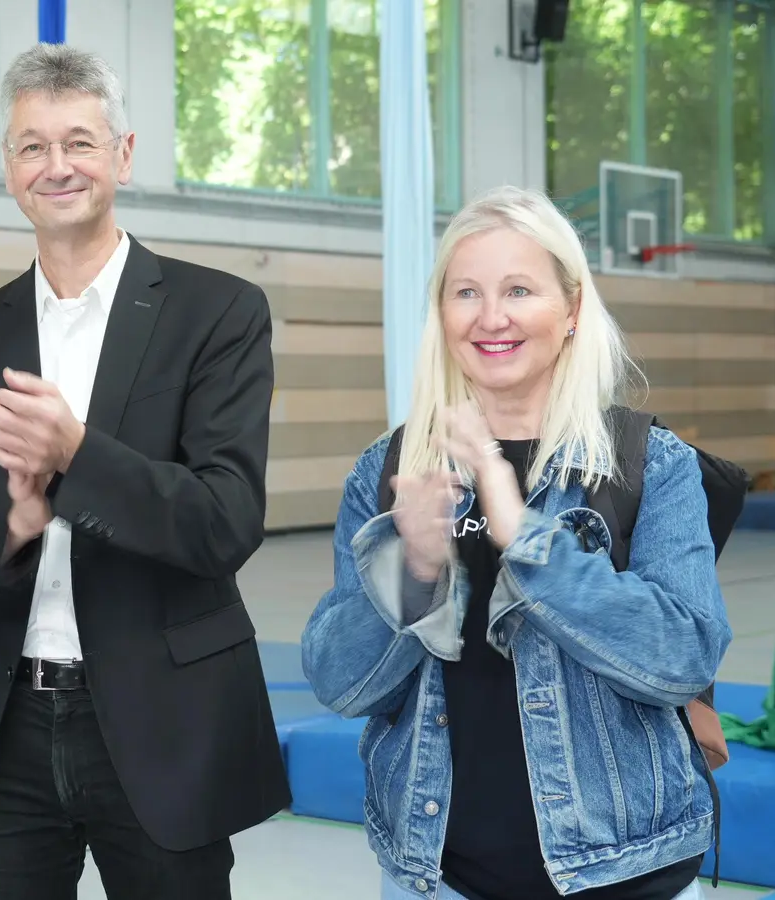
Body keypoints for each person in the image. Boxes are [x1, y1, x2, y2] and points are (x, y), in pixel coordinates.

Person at [0, 43, 290, 899]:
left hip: (162, 723)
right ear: (8, 167)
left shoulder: (217, 312)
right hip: (2, 734)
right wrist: (17, 524)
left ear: (124, 155)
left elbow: (225, 522)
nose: (56, 165)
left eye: (79, 141)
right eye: (32, 145)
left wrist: (76, 458)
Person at [300, 185, 732, 900]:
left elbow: (683, 657)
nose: (491, 316)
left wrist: (522, 532)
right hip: (436, 876)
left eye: (519, 290)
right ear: (441, 314)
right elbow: (341, 683)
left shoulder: (648, 463)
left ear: (570, 310)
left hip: (622, 874)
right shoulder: (392, 468)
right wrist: (414, 569)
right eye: (466, 291)